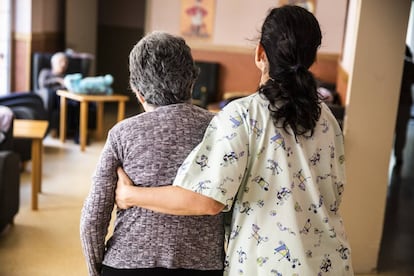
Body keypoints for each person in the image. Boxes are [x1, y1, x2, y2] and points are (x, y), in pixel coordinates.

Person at [115, 5, 354, 275]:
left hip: (265, 266)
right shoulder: (327, 118)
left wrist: (130, 195)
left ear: (260, 53)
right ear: (311, 59)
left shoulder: (244, 115)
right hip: (331, 262)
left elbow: (206, 200)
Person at [80, 31, 225, 276]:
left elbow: (93, 219)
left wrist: (98, 271)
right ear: (192, 82)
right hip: (203, 266)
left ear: (138, 92)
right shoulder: (220, 128)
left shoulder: (122, 134)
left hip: (127, 264)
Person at [394, 45, 414, 168]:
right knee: (401, 132)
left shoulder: (394, 64)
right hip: (405, 102)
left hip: (391, 101)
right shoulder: (411, 66)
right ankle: (399, 156)